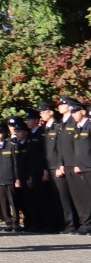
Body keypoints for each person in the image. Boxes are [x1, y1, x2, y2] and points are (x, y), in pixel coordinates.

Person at [48, 98, 83, 233]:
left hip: (74, 164)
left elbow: (77, 145)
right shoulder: (60, 123)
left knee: (77, 196)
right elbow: (59, 147)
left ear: (69, 106)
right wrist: (60, 164)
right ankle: (70, 224)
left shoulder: (73, 122)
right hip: (64, 164)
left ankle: (80, 223)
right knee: (65, 197)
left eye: (63, 104)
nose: (60, 106)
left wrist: (77, 162)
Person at [67, 98, 91, 234]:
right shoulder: (77, 128)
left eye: (75, 111)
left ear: (83, 111)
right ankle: (86, 224)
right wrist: (76, 164)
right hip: (81, 167)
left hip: (89, 166)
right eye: (71, 112)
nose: (73, 115)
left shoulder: (89, 126)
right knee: (84, 197)